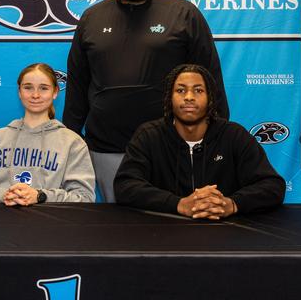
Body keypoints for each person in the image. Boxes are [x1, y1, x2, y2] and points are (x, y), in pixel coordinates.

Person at [64, 0, 228, 202]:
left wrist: (218, 138)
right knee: (114, 227)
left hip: (169, 146)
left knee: (171, 222)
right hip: (107, 147)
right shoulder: (91, 18)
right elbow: (77, 84)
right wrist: (70, 139)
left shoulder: (183, 13)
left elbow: (210, 79)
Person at [114, 64, 284, 219]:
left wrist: (231, 204)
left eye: (198, 90)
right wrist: (178, 204)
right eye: (180, 90)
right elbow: (125, 185)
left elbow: (273, 186)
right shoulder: (149, 136)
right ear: (169, 98)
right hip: (164, 234)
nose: (189, 97)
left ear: (210, 98)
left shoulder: (234, 135)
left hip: (225, 235)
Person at [0, 63, 95, 205]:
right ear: (19, 92)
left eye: (43, 88)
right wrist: (5, 194)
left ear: (55, 92)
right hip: (2, 223)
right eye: (28, 87)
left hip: (51, 225)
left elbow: (84, 198)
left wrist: (40, 196)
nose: (35, 95)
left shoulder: (72, 143)